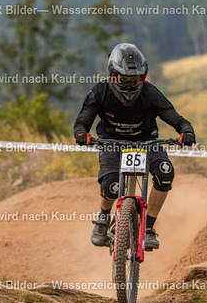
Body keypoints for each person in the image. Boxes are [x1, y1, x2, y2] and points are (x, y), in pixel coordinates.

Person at [74, 43, 195, 250]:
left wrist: (187, 131)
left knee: (165, 172)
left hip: (146, 141)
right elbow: (82, 122)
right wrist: (81, 134)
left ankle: (149, 227)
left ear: (143, 77)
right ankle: (103, 219)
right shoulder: (100, 91)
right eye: (124, 80)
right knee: (111, 186)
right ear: (112, 75)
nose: (129, 86)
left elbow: (176, 118)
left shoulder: (150, 93)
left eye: (135, 80)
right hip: (111, 142)